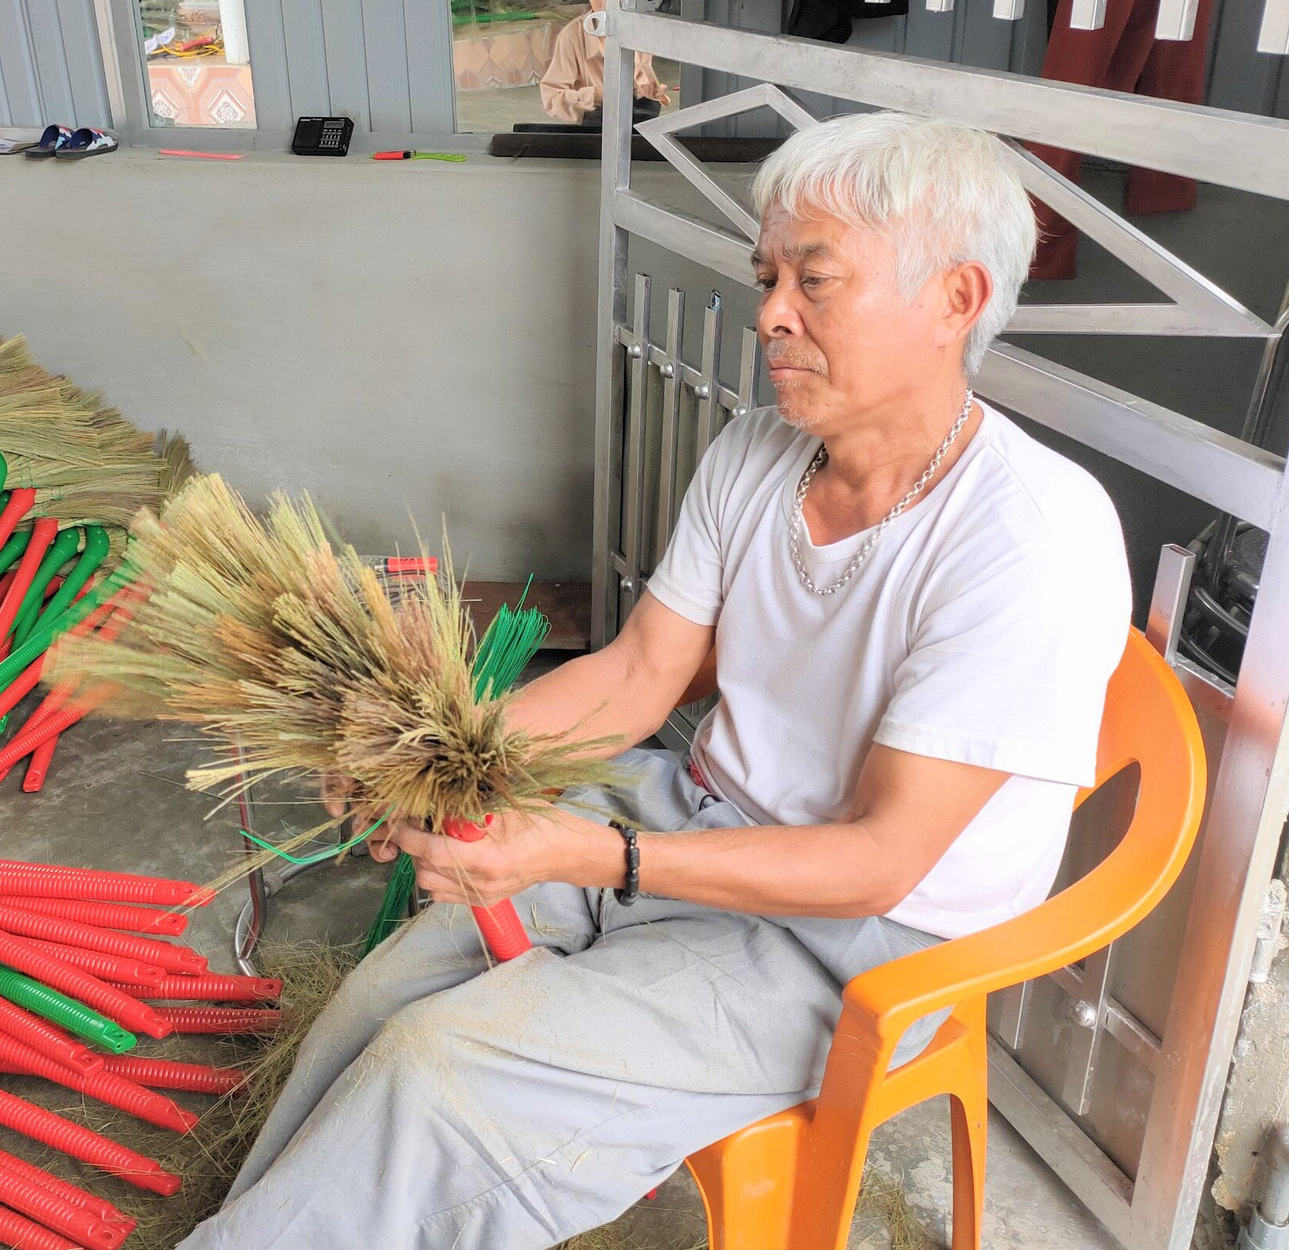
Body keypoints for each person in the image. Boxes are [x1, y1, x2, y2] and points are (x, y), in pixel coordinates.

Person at [179, 111, 1131, 1250]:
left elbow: (878, 857)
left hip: (860, 941)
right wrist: (428, 755)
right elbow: (634, 675)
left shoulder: (1028, 538)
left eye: (812, 281)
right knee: (390, 997)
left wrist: (584, 852)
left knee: (442, 1070)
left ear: (953, 300)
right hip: (689, 811)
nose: (770, 312)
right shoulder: (757, 452)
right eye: (766, 275)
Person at [539, 0, 672, 125]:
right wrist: (596, 94)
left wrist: (649, 91)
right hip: (594, 122)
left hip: (634, 115)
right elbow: (552, 99)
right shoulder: (572, 36)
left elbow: (643, 79)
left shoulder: (638, 30)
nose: (605, 3)